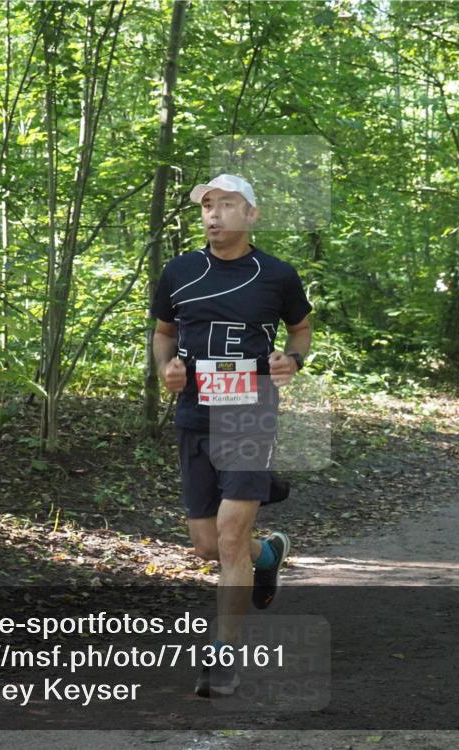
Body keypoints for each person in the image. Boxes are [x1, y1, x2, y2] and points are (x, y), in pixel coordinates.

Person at [150, 174, 312, 698]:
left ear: (252, 213)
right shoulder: (178, 271)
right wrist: (165, 369)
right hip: (195, 412)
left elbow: (301, 329)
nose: (213, 215)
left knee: (228, 535)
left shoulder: (277, 276)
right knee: (205, 546)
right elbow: (163, 334)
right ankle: (268, 557)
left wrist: (294, 359)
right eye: (207, 206)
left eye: (226, 205)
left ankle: (223, 656)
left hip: (250, 409)